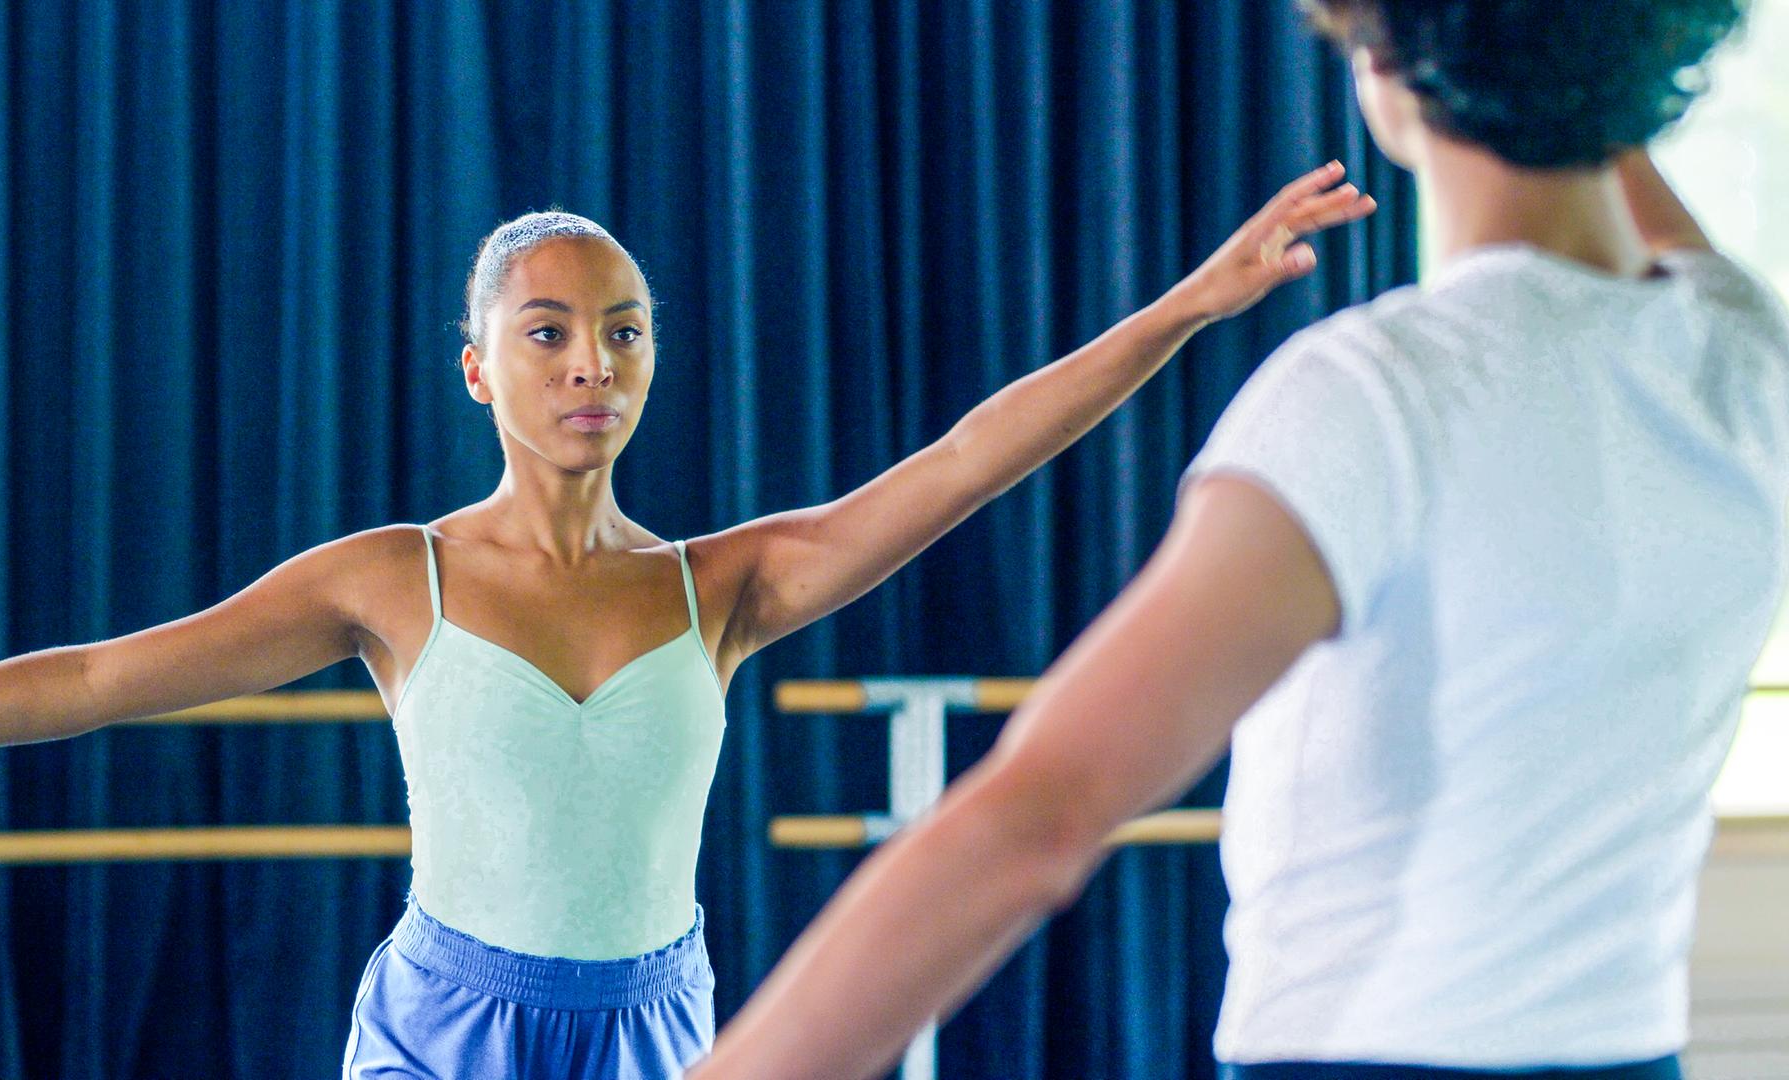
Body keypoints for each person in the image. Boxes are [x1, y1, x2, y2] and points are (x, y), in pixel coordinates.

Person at [0, 168, 1372, 1078]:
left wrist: (1192, 302)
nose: (592, 362)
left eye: (623, 331)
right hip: (444, 1025)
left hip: (661, 1022)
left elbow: (973, 455)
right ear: (479, 370)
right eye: (549, 333)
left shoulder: (723, 585)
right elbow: (100, 673)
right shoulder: (395, 582)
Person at [690, 3, 1785, 1079]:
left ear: (1386, 63)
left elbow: (1040, 814)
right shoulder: (1748, 368)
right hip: (1630, 1053)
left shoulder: (1381, 395)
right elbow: (1617, 163)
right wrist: (1588, 56)